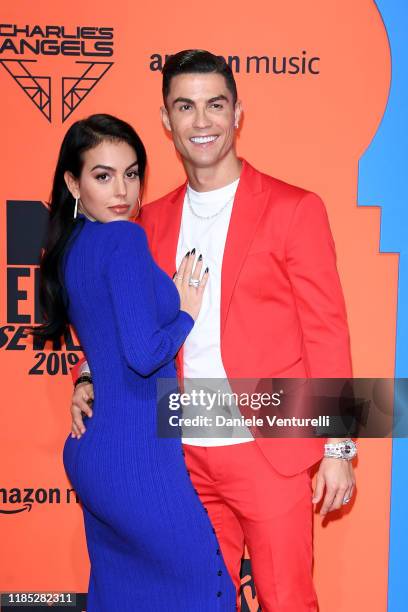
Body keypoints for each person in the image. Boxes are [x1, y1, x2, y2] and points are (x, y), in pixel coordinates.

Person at [71, 53, 357, 612]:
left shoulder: (295, 208)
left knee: (287, 600)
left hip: (271, 446)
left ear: (237, 113)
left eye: (214, 105)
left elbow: (327, 332)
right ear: (166, 120)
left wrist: (340, 445)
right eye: (186, 106)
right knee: (195, 602)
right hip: (177, 455)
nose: (201, 121)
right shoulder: (144, 222)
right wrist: (86, 374)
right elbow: (116, 314)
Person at [34, 113, 236, 611]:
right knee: (205, 591)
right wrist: (185, 312)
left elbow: (104, 339)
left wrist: (86, 376)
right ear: (72, 182)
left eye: (131, 173)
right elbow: (144, 354)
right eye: (103, 175)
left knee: (121, 597)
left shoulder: (71, 247)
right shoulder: (123, 240)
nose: (122, 190)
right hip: (138, 458)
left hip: (95, 454)